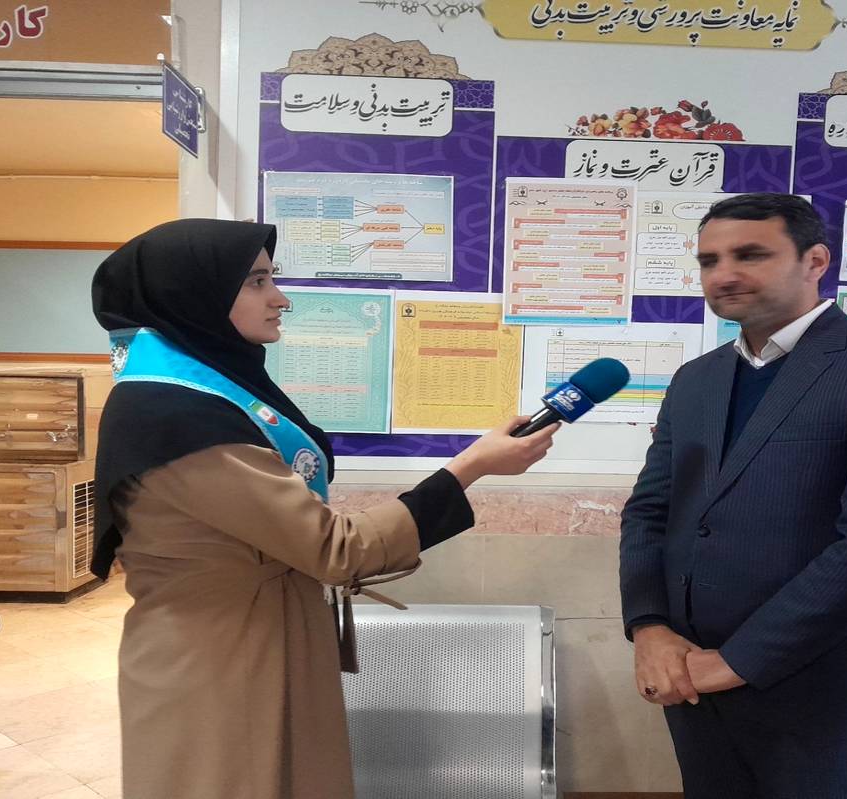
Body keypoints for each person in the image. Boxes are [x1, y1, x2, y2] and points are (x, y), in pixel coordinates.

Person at [90, 219, 558, 799]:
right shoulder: (176, 418)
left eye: (272, 278)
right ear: (194, 295)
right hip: (218, 664)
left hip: (256, 639)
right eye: (257, 282)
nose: (280, 299)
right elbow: (336, 549)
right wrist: (472, 466)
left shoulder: (199, 399)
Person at [619, 193, 847, 798]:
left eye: (750, 255)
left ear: (815, 261)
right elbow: (650, 512)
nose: (724, 274)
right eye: (709, 260)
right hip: (689, 676)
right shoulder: (696, 379)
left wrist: (737, 662)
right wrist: (649, 627)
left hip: (814, 691)